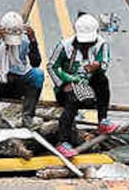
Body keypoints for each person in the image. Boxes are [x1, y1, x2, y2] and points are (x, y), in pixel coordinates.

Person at [48, 14, 117, 158]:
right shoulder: (64, 46)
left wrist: (96, 67)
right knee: (73, 98)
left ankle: (102, 120)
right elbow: (51, 67)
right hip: (68, 89)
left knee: (102, 79)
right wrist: (63, 84)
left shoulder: (101, 45)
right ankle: (63, 141)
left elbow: (104, 64)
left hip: (88, 87)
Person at [0, 11, 43, 128]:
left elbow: (36, 63)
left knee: (38, 74)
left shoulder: (25, 40)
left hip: (18, 83)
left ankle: (28, 117)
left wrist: (33, 41)